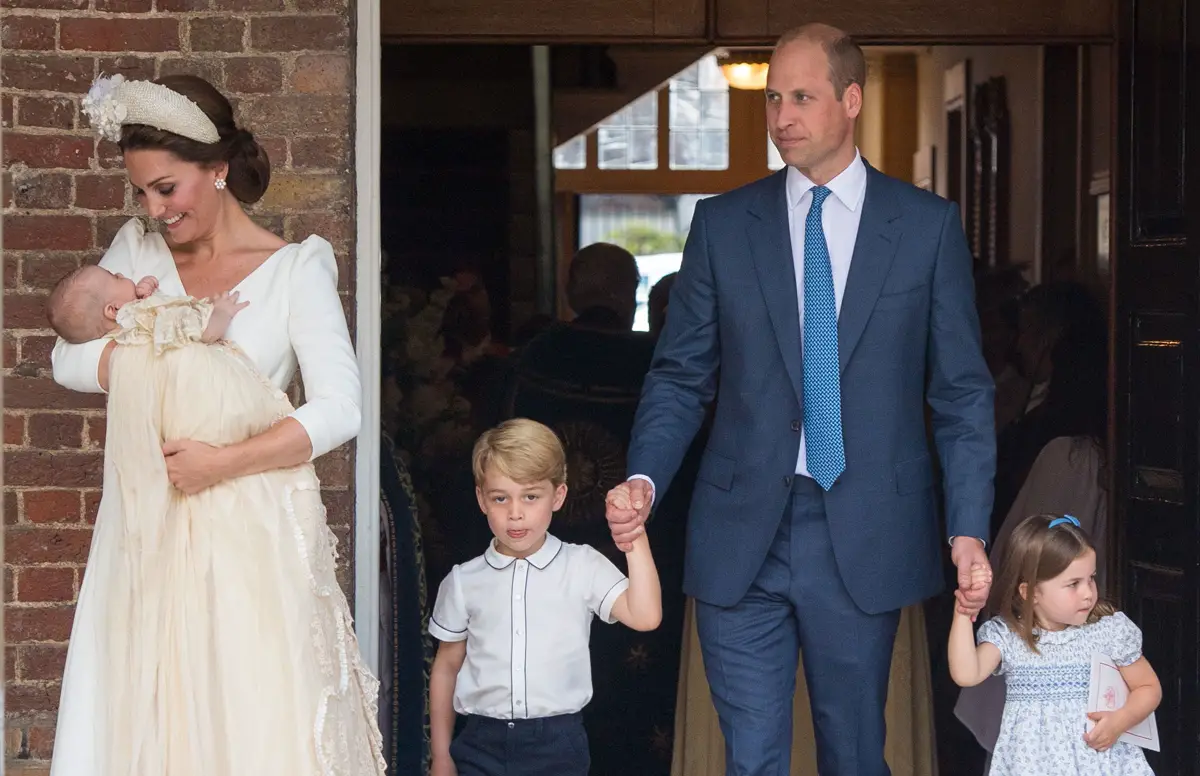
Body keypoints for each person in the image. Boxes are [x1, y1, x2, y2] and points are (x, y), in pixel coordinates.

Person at [606, 22, 996, 776]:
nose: (782, 115)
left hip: (865, 527)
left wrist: (969, 526)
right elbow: (682, 375)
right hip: (739, 529)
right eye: (774, 97)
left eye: (802, 97)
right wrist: (646, 477)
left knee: (853, 754)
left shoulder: (925, 227)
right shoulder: (723, 224)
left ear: (851, 100)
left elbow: (961, 394)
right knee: (750, 759)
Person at [50, 73, 383, 775]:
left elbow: (341, 409)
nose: (154, 209)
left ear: (219, 168)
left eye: (166, 189)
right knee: (138, 714)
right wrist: (161, 366)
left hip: (246, 531)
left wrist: (219, 464)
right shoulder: (136, 256)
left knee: (246, 715)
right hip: (144, 527)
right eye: (141, 193)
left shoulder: (294, 270)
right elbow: (68, 360)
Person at [428, 419, 663, 776]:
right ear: (481, 499)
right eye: (500, 498)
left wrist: (634, 535)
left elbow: (645, 616)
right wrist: (441, 756)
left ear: (559, 496)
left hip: (557, 745)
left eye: (531, 496)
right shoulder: (464, 581)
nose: (516, 512)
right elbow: (447, 667)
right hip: (480, 744)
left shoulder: (582, 565)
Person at [948, 514, 1161, 775]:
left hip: (1100, 765)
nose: (1088, 592)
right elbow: (966, 673)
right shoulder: (1011, 635)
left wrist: (1120, 721)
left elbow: (1148, 687)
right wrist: (963, 612)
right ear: (1030, 593)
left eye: (1091, 578)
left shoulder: (1107, 631)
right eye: (1073, 584)